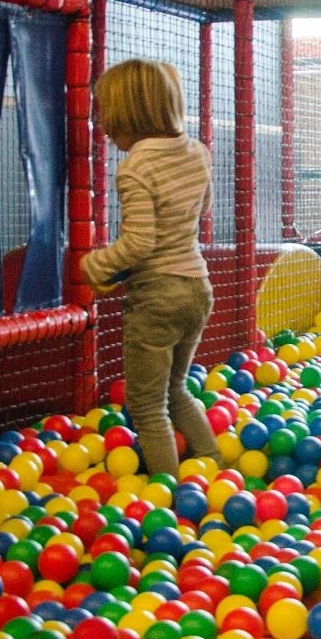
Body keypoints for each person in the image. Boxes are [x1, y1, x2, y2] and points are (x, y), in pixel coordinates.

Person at [81, 60, 221, 479]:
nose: (101, 123)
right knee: (176, 388)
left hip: (158, 296)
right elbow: (204, 208)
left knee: (146, 405)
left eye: (104, 112)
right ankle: (214, 465)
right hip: (197, 288)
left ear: (126, 115)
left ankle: (170, 492)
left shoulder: (136, 167)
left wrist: (96, 264)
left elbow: (139, 243)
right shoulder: (197, 151)